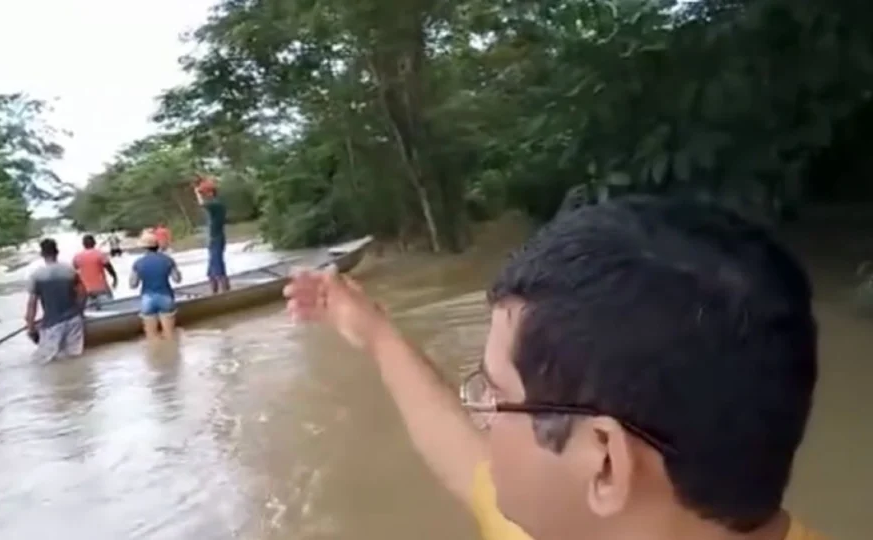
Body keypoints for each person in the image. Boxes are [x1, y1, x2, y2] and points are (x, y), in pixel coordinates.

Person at [284, 197, 826, 540]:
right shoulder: (582, 518)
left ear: (605, 463)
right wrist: (374, 332)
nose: (482, 420)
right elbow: (459, 455)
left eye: (496, 397)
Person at [26, 238, 86, 364]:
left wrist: (31, 327)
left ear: (42, 254)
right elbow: (82, 293)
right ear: (57, 252)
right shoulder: (69, 271)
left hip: (52, 323)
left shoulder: (37, 276)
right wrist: (79, 312)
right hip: (73, 319)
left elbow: (32, 304)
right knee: (75, 357)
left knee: (45, 362)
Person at [130, 230, 182, 340]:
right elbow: (177, 279)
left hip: (147, 299)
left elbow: (133, 284)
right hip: (165, 297)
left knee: (152, 337)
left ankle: (155, 354)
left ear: (143, 247)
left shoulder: (138, 263)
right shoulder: (168, 260)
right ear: (157, 245)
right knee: (169, 335)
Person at [193, 176, 230, 293]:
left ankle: (224, 290)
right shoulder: (217, 204)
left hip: (216, 238)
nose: (204, 195)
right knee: (212, 268)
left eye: (205, 193)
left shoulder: (215, 204)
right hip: (215, 238)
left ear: (210, 193)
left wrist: (197, 192)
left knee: (217, 264)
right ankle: (216, 291)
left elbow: (202, 204)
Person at [72, 234, 118, 308]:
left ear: (83, 244)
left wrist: (75, 290)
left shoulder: (77, 257)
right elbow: (109, 268)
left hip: (85, 290)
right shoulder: (100, 254)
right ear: (94, 243)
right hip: (101, 288)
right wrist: (115, 279)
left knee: (91, 312)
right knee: (110, 309)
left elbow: (74, 273)